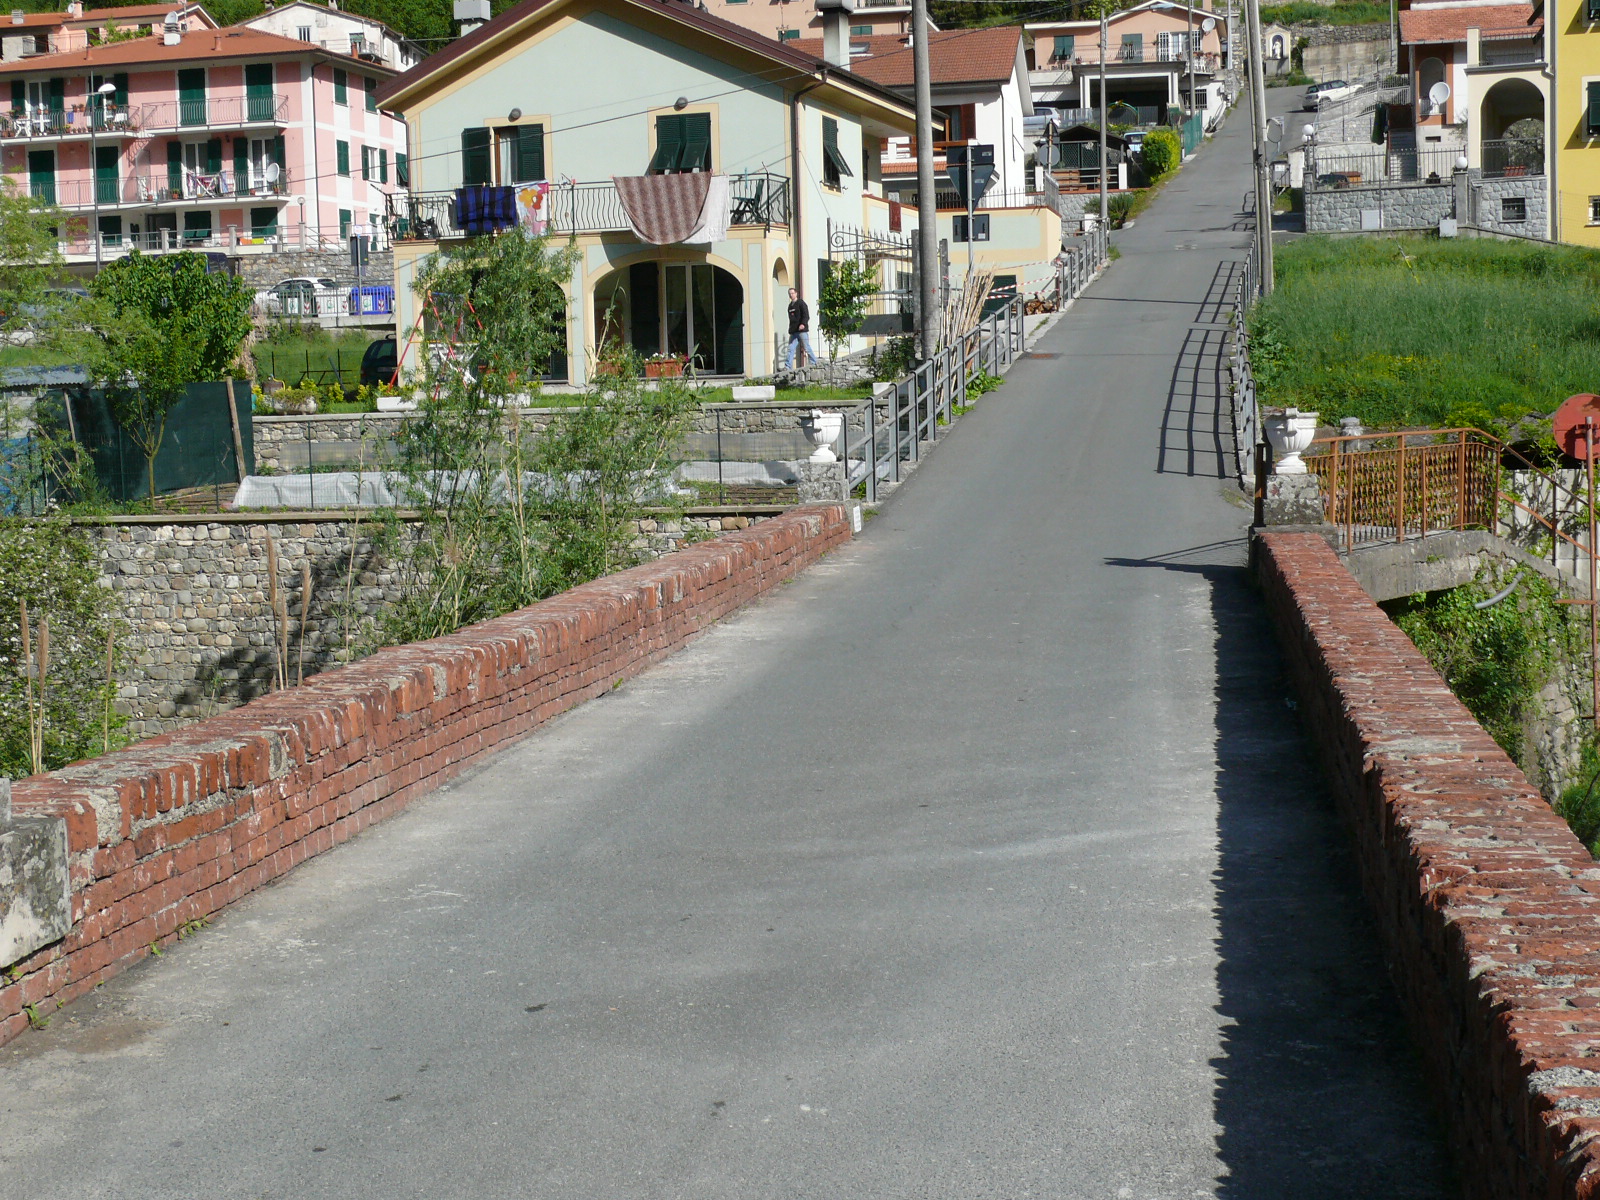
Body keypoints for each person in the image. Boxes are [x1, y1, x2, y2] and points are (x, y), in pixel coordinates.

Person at [786, 287, 814, 370]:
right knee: (790, 349)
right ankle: (788, 366)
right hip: (794, 332)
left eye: (792, 293)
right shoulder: (790, 306)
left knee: (806, 347)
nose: (791, 295)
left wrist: (803, 324)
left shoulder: (801, 303)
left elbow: (806, 315)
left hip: (802, 331)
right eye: (790, 294)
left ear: (796, 293)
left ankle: (813, 362)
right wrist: (791, 330)